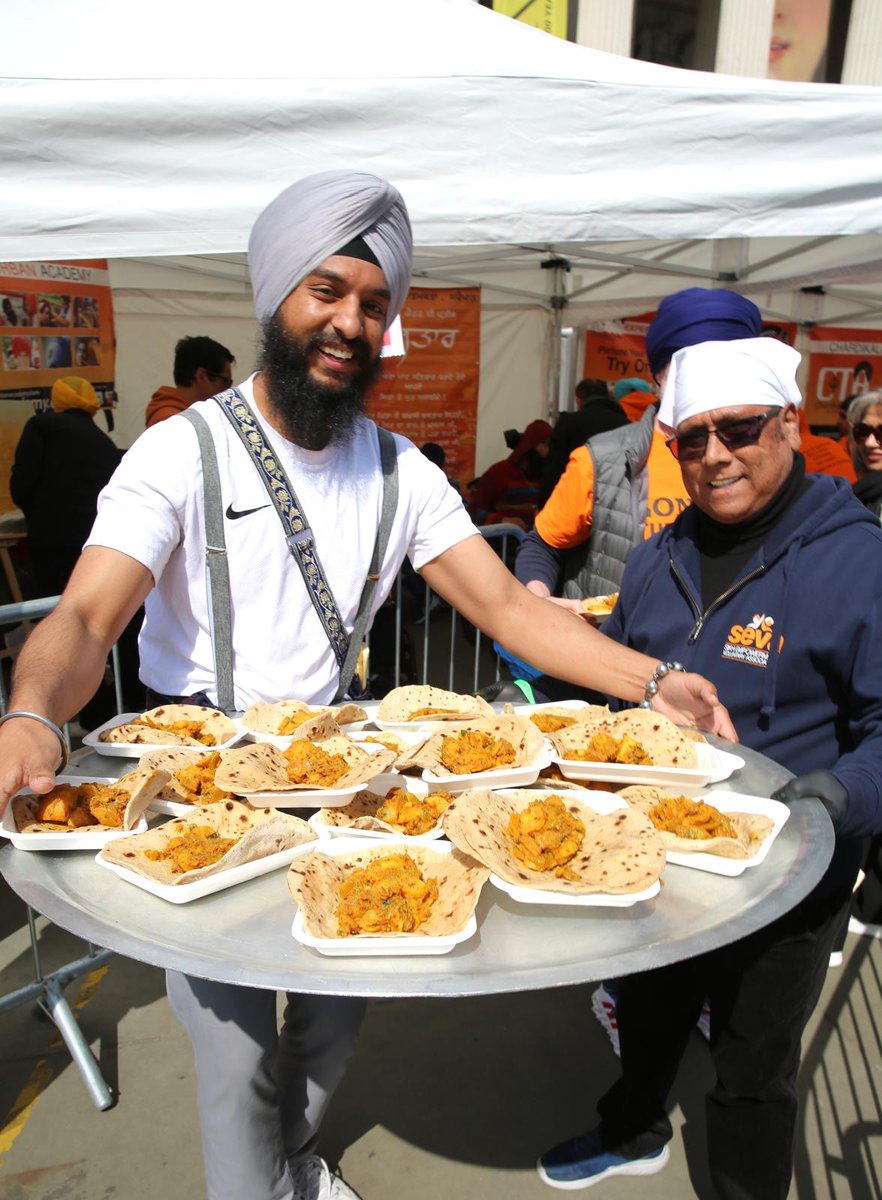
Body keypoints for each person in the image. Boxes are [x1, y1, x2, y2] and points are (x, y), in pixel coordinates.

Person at [0, 170, 734, 1200]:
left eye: (375, 302)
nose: (351, 322)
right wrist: (33, 713)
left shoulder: (401, 472)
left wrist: (656, 678)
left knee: (342, 1007)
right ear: (276, 299)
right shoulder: (182, 451)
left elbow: (513, 612)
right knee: (236, 1053)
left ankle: (295, 1159)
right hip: (198, 787)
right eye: (326, 290)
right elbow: (84, 615)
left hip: (347, 789)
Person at [537, 336, 882, 1199]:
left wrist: (844, 796)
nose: (715, 455)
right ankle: (633, 1128)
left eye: (739, 429)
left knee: (753, 1061)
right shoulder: (659, 554)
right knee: (648, 1015)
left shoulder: (862, 560)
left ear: (791, 427)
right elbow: (621, 680)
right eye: (691, 438)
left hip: (791, 868)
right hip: (656, 855)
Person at [513, 287, 763, 702]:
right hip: (614, 673)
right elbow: (544, 542)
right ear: (659, 376)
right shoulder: (607, 458)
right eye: (688, 365)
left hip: (728, 672)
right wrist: (539, 600)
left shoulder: (762, 460)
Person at [10, 376, 122, 598]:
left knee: (53, 607)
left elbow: (22, 483)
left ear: (56, 400)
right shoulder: (104, 443)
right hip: (95, 542)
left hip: (50, 541)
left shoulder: (41, 426)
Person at [538, 379, 627, 507]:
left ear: (578, 400)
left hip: (574, 503)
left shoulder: (569, 423)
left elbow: (554, 469)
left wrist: (543, 505)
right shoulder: (627, 425)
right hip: (613, 504)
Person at [467, 418, 552, 529]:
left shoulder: (549, 476)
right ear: (531, 445)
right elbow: (473, 512)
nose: (549, 451)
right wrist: (502, 521)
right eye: (545, 444)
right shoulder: (498, 472)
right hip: (504, 544)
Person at [145, 334, 235, 427]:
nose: (228, 390)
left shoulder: (172, 415)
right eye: (226, 382)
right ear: (202, 376)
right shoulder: (174, 423)